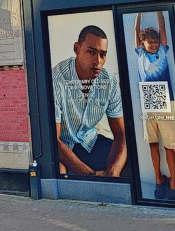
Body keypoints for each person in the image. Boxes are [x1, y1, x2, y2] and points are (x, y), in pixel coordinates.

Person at [52, 25, 127, 177]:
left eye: (103, 55)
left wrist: (113, 171)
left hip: (89, 142)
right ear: (77, 48)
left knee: (127, 162)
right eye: (91, 52)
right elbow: (54, 141)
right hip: (63, 146)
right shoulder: (57, 79)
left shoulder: (109, 82)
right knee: (60, 171)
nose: (97, 61)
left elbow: (120, 134)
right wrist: (91, 175)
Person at [134, 13, 175, 200]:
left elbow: (163, 29)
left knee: (169, 146)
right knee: (153, 144)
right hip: (148, 101)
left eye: (155, 41)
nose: (153, 44)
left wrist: (159, 11)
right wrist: (139, 13)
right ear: (143, 44)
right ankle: (158, 180)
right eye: (149, 42)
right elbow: (136, 30)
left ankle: (173, 183)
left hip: (165, 100)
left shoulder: (163, 52)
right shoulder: (140, 53)